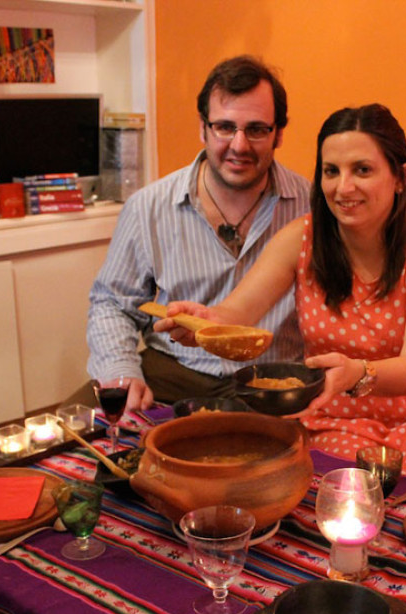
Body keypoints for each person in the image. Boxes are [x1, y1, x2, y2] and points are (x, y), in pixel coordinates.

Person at [158, 103, 406, 484]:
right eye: (331, 171)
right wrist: (203, 324)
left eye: (362, 170)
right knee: (330, 499)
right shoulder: (302, 239)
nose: (343, 187)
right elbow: (237, 312)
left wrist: (355, 374)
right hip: (337, 421)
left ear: (400, 177)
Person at [86, 55, 311, 411]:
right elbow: (112, 304)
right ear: (202, 128)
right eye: (224, 127)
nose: (239, 145)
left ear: (278, 133)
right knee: (74, 429)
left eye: (256, 129)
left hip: (271, 383)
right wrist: (120, 370)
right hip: (176, 373)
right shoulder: (148, 206)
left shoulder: (311, 207)